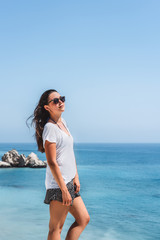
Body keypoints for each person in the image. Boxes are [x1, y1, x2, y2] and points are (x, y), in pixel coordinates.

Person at [27, 89, 90, 240]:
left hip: (69, 181)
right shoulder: (50, 128)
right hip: (58, 185)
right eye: (55, 100)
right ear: (47, 107)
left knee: (83, 219)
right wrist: (63, 189)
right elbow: (51, 161)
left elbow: (69, 153)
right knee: (56, 229)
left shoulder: (63, 123)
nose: (60, 102)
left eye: (61, 98)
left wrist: (76, 176)